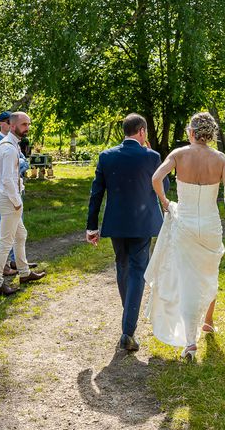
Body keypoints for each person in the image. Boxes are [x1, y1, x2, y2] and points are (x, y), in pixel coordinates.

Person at [144, 112, 225, 360]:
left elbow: (156, 178)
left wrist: (165, 201)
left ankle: (190, 342)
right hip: (209, 225)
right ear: (210, 134)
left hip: (184, 223)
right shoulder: (219, 159)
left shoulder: (178, 154)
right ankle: (207, 321)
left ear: (192, 132)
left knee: (188, 279)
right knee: (209, 273)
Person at [86, 113, 168, 352]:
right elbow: (164, 186)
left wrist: (92, 226)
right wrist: (155, 159)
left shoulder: (106, 156)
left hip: (116, 223)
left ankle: (127, 319)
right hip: (143, 223)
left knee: (122, 266)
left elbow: (96, 194)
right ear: (142, 131)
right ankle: (128, 331)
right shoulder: (152, 157)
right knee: (137, 271)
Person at [0, 111, 45, 296]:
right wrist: (17, 202)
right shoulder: (8, 148)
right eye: (23, 124)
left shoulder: (12, 145)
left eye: (28, 124)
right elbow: (7, 180)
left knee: (21, 235)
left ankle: (24, 273)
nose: (27, 128)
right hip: (8, 200)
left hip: (7, 198)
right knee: (5, 243)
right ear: (12, 126)